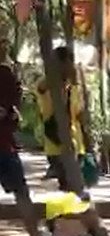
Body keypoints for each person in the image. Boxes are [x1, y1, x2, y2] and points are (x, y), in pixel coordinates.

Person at [37, 47, 94, 194]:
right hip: (56, 145)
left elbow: (80, 116)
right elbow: (43, 89)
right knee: (72, 187)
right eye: (69, 62)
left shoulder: (74, 87)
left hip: (76, 144)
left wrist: (88, 144)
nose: (72, 66)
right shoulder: (46, 85)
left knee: (75, 189)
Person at [0, 41, 41, 236]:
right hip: (5, 145)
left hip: (5, 144)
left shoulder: (7, 76)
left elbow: (12, 110)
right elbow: (13, 109)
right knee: (22, 194)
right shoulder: (7, 77)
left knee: (22, 193)